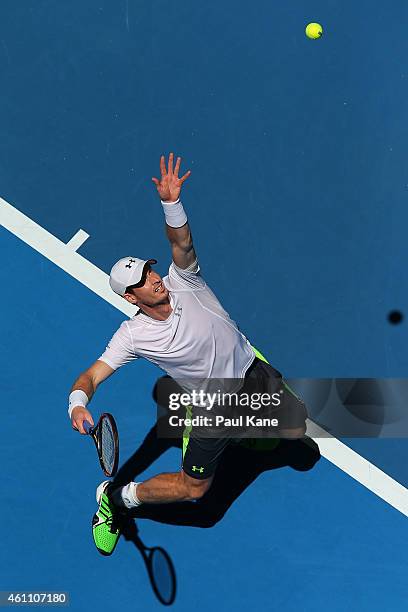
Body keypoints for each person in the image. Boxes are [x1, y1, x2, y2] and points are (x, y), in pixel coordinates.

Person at [68, 152, 307, 555]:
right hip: (211, 406)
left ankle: (246, 429)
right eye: (143, 280)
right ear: (131, 296)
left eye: (150, 269)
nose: (154, 278)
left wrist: (171, 201)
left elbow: (182, 242)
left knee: (295, 430)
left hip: (249, 370)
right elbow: (90, 376)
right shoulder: (132, 336)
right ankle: (116, 498)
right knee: (195, 491)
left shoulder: (185, 280)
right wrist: (76, 404)